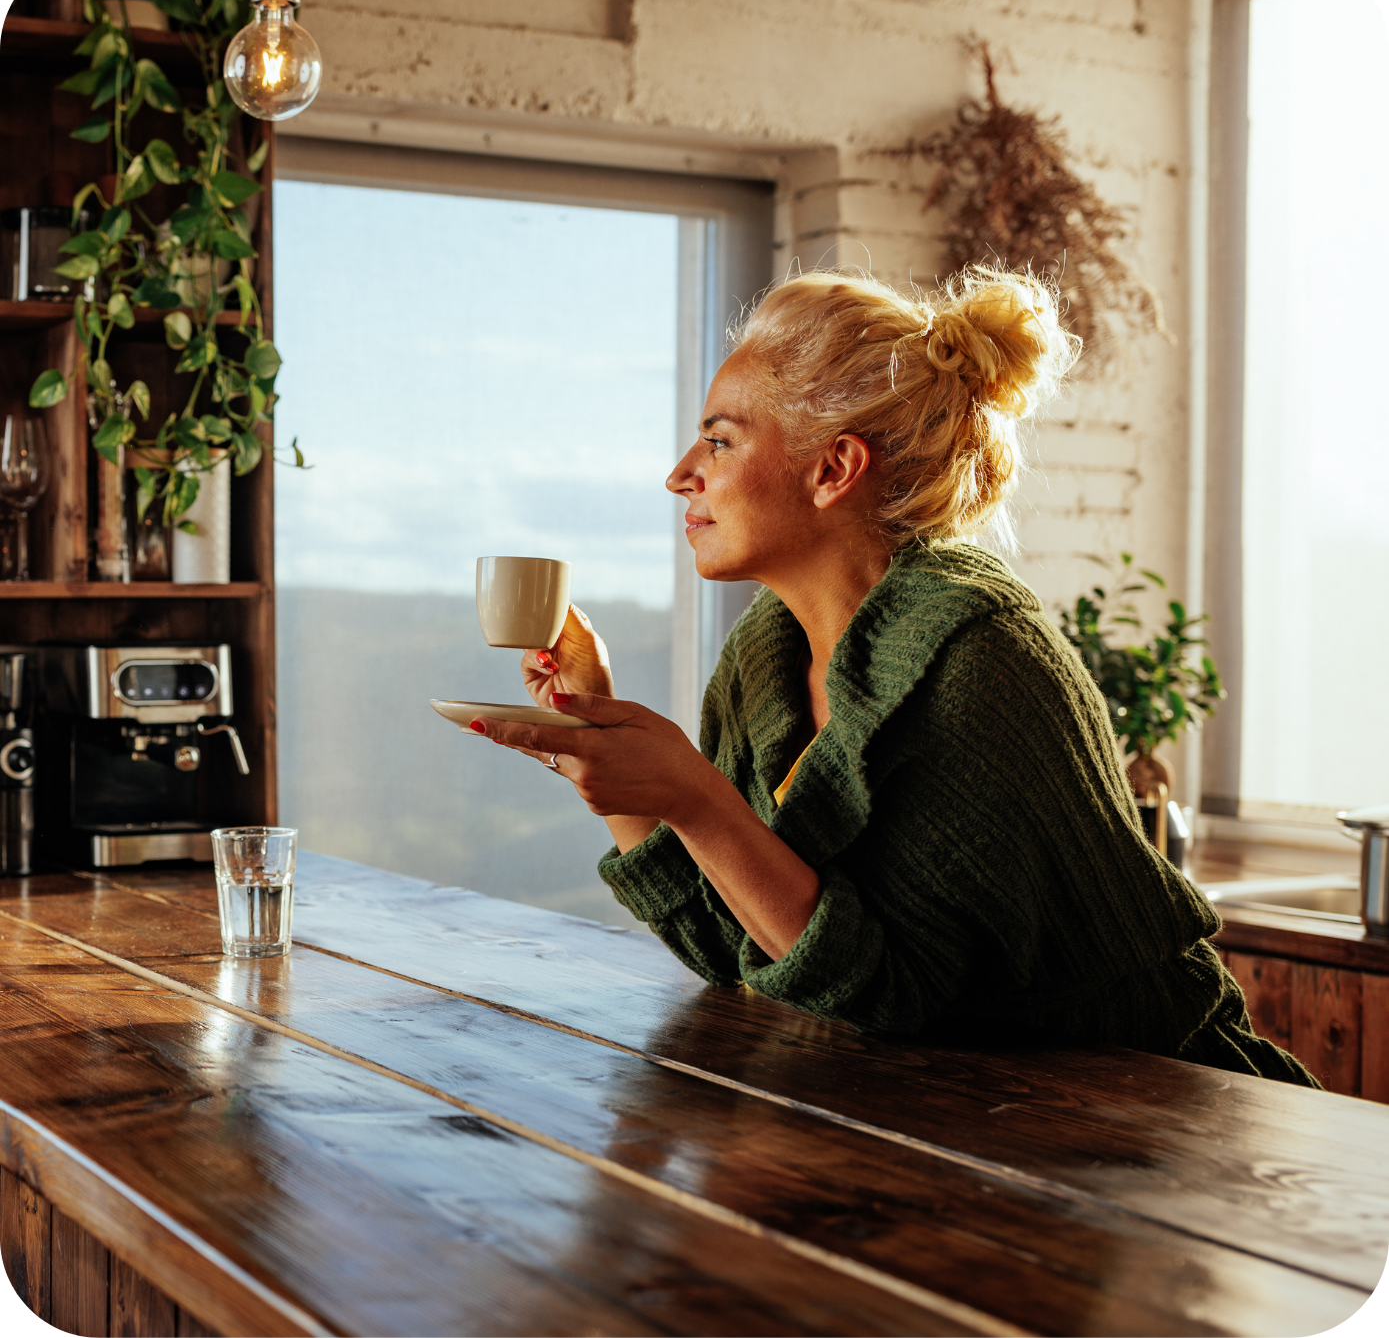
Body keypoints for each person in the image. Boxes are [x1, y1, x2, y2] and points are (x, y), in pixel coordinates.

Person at [472, 267, 1316, 1086]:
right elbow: (731, 950)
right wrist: (603, 732)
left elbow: (892, 996)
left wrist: (693, 796)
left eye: (720, 439)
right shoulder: (762, 660)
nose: (679, 472)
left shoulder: (981, 664)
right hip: (958, 1125)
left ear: (832, 469)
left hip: (1167, 1121)